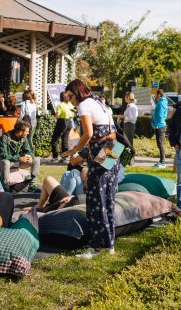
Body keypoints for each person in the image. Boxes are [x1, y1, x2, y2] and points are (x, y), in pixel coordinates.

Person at [62, 79, 122, 259]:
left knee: (95, 198)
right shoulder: (97, 101)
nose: (70, 100)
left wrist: (75, 149)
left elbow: (88, 133)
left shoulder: (83, 105)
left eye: (71, 96)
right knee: (108, 197)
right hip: (113, 146)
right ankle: (110, 244)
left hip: (102, 149)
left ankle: (95, 246)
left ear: (77, 92)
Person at [0, 120, 40, 189]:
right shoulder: (4, 137)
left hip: (14, 162)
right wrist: (19, 158)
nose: (28, 133)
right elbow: (4, 155)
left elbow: (28, 151)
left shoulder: (23, 138)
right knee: (6, 162)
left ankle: (32, 185)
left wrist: (30, 156)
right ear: (20, 132)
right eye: (27, 131)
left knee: (36, 160)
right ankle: (5, 186)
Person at [52, 91, 75, 161]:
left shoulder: (60, 105)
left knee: (55, 139)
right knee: (65, 140)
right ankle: (64, 157)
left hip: (62, 122)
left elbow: (57, 116)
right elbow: (73, 114)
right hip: (69, 122)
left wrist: (55, 115)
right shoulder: (71, 104)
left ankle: (55, 156)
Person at [152, 89, 168, 168]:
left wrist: (157, 124)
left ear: (158, 94)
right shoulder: (161, 102)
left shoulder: (161, 103)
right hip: (160, 125)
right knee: (159, 144)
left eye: (155, 94)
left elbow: (161, 115)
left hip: (160, 126)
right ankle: (161, 161)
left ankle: (163, 162)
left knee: (160, 144)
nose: (154, 95)